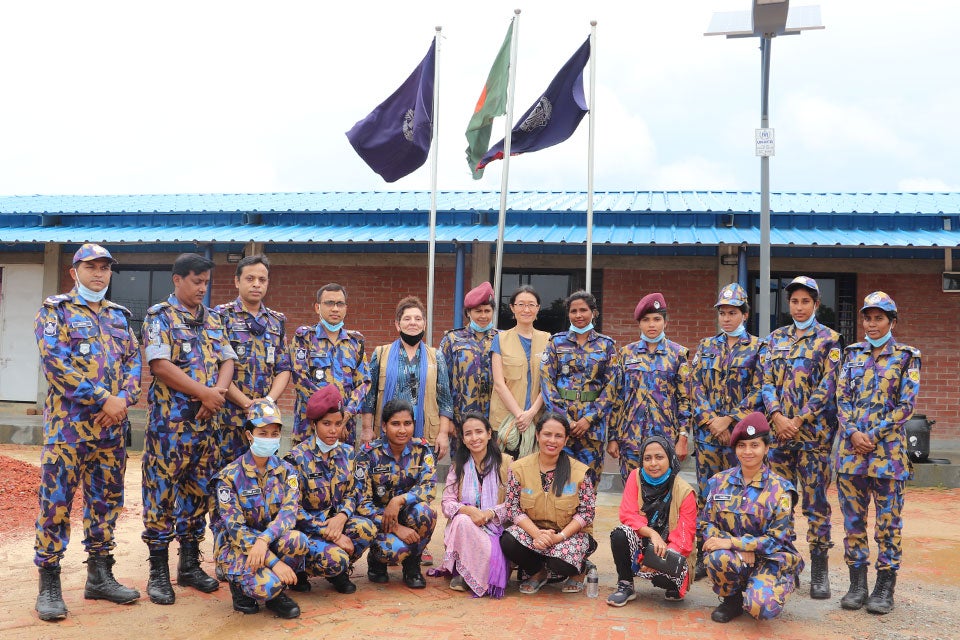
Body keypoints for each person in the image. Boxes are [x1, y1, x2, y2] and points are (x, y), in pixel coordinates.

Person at [32, 243, 142, 621]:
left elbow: (133, 359)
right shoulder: (56, 311)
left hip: (111, 432)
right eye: (91, 267)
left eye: (105, 268)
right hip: (68, 431)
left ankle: (100, 576)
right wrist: (102, 399)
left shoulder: (119, 315)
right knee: (56, 504)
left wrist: (123, 400)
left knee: (105, 503)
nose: (99, 274)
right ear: (73, 272)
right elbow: (55, 363)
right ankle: (49, 583)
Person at [141, 253, 237, 605]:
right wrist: (204, 393)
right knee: (161, 497)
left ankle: (189, 565)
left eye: (206, 282)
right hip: (170, 429)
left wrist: (219, 393)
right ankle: (158, 572)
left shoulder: (212, 319)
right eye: (196, 281)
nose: (202, 288)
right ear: (177, 279)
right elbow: (160, 365)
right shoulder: (159, 317)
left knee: (198, 495)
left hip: (206, 429)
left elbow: (228, 358)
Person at [835, 292, 920, 615]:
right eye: (867, 318)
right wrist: (854, 432)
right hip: (851, 455)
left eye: (879, 318)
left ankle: (885, 587)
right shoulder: (851, 354)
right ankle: (857, 585)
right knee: (854, 523)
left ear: (892, 322)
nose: (871, 324)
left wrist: (871, 434)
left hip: (888, 456)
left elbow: (906, 406)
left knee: (888, 524)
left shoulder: (907, 357)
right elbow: (841, 400)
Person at [759, 275, 842, 599]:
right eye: (794, 301)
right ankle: (785, 564)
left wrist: (799, 419)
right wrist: (778, 417)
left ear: (816, 304)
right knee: (781, 503)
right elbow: (766, 382)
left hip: (814, 440)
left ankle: (819, 570)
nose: (799, 306)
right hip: (780, 439)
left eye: (805, 301)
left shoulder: (829, 340)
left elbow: (828, 387)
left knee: (816, 505)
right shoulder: (774, 339)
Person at [688, 283, 763, 578]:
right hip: (709, 437)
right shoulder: (707, 346)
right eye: (722, 313)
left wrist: (731, 420)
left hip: (741, 440)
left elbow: (759, 390)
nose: (727, 318)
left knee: (740, 496)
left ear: (744, 314)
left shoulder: (758, 348)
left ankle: (739, 554)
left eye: (732, 312)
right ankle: (706, 553)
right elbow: (694, 387)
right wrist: (712, 421)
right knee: (710, 495)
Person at [701, 412, 803, 623]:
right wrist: (736, 549)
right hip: (734, 557)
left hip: (769, 559)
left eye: (754, 445)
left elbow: (778, 539)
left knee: (761, 609)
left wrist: (737, 544)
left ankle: (781, 582)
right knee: (716, 556)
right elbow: (706, 523)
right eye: (742, 446)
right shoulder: (719, 482)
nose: (747, 451)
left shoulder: (781, 490)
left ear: (766, 448)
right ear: (735, 449)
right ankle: (732, 599)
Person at [211, 400, 306, 619]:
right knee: (266, 585)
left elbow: (289, 513)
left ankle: (276, 592)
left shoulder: (287, 471)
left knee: (298, 540)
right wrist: (275, 561)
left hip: (266, 541)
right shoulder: (229, 477)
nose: (270, 439)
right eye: (263, 432)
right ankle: (242, 588)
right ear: (249, 435)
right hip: (237, 546)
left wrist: (264, 541)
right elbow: (235, 529)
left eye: (274, 433)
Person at [284, 385, 376, 595]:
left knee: (366, 527)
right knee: (331, 555)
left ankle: (337, 573)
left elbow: (355, 492)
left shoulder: (349, 453)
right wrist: (326, 531)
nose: (333, 430)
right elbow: (291, 509)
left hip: (336, 524)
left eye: (337, 423)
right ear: (314, 424)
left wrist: (342, 516)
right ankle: (300, 570)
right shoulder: (295, 459)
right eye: (326, 424)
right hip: (308, 530)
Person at [500, 413, 597, 595]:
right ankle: (538, 573)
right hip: (533, 533)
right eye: (547, 434)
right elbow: (512, 508)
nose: (552, 440)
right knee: (508, 540)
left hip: (568, 535)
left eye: (558, 436)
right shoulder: (518, 468)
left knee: (559, 563)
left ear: (566, 439)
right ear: (537, 435)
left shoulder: (580, 472)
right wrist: (537, 534)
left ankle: (579, 569)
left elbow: (586, 513)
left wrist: (559, 537)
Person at [215, 254, 291, 468]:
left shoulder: (277, 321)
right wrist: (246, 404)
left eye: (262, 279)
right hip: (229, 418)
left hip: (265, 422)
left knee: (264, 476)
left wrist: (267, 401)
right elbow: (215, 368)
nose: (257, 284)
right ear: (237, 281)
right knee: (227, 476)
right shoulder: (220, 316)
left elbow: (284, 368)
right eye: (250, 279)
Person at [608, 293, 691, 483]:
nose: (651, 324)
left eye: (657, 319)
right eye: (646, 320)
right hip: (631, 439)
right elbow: (617, 397)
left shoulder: (678, 354)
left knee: (664, 495)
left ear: (665, 323)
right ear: (639, 324)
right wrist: (612, 437)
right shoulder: (625, 354)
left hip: (665, 439)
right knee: (632, 493)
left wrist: (683, 438)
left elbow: (685, 400)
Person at [357, 399, 438, 588]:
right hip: (380, 520)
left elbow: (429, 487)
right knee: (394, 550)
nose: (402, 430)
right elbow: (362, 503)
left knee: (426, 512)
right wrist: (395, 528)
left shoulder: (422, 450)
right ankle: (377, 562)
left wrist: (399, 500)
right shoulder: (368, 454)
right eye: (395, 424)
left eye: (407, 424)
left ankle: (412, 566)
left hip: (409, 515)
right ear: (384, 426)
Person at [361, 295, 454, 460]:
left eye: (418, 318)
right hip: (387, 434)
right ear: (398, 324)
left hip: (425, 434)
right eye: (407, 318)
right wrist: (367, 428)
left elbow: (445, 400)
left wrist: (443, 434)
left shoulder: (436, 356)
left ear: (424, 324)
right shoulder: (381, 354)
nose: (413, 322)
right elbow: (369, 396)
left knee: (422, 482)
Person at [607, 435, 697, 606]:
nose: (653, 463)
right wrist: (652, 533)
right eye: (647, 458)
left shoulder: (685, 492)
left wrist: (656, 561)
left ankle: (672, 586)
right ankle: (625, 584)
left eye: (659, 457)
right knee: (620, 534)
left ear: (670, 458)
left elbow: (684, 541)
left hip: (672, 550)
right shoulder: (635, 477)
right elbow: (627, 514)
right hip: (644, 545)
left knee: (666, 580)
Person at [540, 290, 618, 482]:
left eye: (583, 310)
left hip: (592, 426)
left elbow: (612, 386)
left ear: (594, 312)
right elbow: (547, 382)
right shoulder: (556, 342)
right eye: (573, 311)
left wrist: (589, 419)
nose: (578, 315)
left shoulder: (606, 345)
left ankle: (585, 513)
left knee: (588, 481)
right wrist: (565, 419)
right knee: (557, 478)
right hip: (559, 426)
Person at [432, 413, 512, 597]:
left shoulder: (506, 463)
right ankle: (462, 573)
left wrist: (489, 513)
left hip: (497, 529)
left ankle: (479, 575)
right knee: (461, 520)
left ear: (489, 434)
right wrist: (469, 510)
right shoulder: (457, 466)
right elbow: (447, 502)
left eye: (479, 432)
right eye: (468, 433)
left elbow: (513, 503)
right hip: (468, 528)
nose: (474, 438)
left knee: (466, 523)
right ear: (463, 438)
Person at [290, 283, 370, 447]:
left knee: (342, 472)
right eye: (329, 303)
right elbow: (300, 378)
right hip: (309, 429)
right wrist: (333, 417)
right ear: (317, 307)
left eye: (339, 304)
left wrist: (345, 415)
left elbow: (363, 383)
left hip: (343, 430)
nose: (335, 308)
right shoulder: (304, 337)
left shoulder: (355, 342)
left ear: (346, 308)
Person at [489, 285, 550, 459]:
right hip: (506, 422)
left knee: (531, 475)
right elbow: (499, 384)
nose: (526, 309)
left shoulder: (548, 339)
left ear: (538, 308)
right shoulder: (500, 339)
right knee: (504, 471)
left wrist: (531, 414)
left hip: (537, 419)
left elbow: (548, 382)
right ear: (512, 308)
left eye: (531, 304)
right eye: (521, 304)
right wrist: (519, 415)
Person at [439, 282, 498, 450]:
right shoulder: (452, 340)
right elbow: (442, 384)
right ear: (468, 313)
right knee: (461, 468)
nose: (483, 316)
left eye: (487, 311)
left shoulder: (503, 339)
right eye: (478, 311)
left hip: (493, 420)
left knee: (493, 468)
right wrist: (447, 420)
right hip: (461, 420)